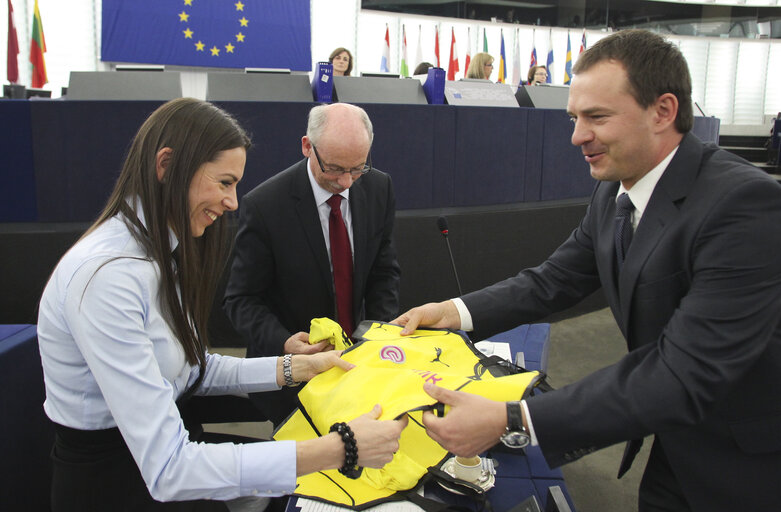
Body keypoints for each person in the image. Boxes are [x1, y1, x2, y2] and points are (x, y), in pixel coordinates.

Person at [393, 29, 781, 512]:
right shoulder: (615, 187)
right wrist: (450, 312)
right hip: (676, 443)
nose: (577, 136)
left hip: (747, 464)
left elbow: (684, 373)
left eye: (596, 117)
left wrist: (514, 417)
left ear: (662, 112)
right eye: (575, 118)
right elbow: (553, 280)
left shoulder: (744, 205)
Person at [37, 98, 407, 511]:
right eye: (224, 183)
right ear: (166, 167)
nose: (232, 202)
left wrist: (295, 367)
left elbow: (193, 368)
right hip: (114, 481)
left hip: (160, 448)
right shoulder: (108, 277)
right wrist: (343, 448)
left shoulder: (157, 251)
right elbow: (169, 469)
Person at [224, 103, 401, 424]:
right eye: (334, 168)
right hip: (295, 380)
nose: (347, 181)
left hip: (360, 366)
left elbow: (383, 273)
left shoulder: (378, 187)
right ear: (307, 146)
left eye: (358, 167)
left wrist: (378, 336)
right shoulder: (265, 206)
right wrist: (284, 341)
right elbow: (241, 301)